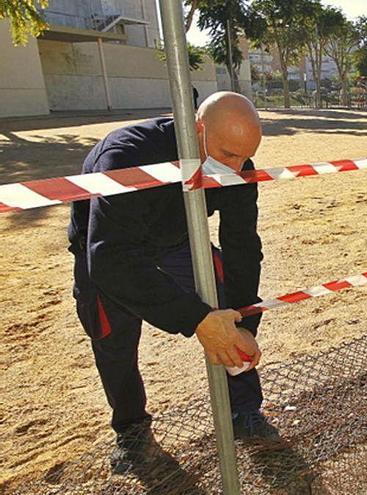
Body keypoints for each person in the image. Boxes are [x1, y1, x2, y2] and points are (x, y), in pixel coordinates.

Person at [68, 91, 278, 474]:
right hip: (108, 245)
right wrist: (196, 319)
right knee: (110, 334)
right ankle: (131, 432)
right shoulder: (125, 156)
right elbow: (111, 258)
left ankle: (244, 411)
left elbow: (242, 247)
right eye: (227, 155)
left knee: (226, 301)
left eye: (244, 157)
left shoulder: (240, 165)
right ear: (196, 129)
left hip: (181, 240)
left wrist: (242, 324)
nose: (236, 166)